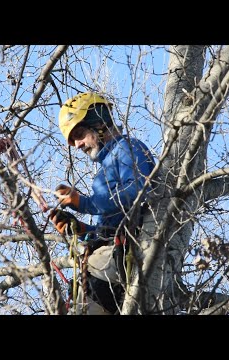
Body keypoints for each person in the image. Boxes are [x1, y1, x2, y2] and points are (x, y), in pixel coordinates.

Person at [50, 92, 155, 315]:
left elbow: (136, 190)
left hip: (124, 256)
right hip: (109, 261)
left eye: (79, 134)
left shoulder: (127, 148)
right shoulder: (104, 171)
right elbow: (107, 228)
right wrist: (80, 229)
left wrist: (83, 202)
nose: (77, 145)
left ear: (98, 122)